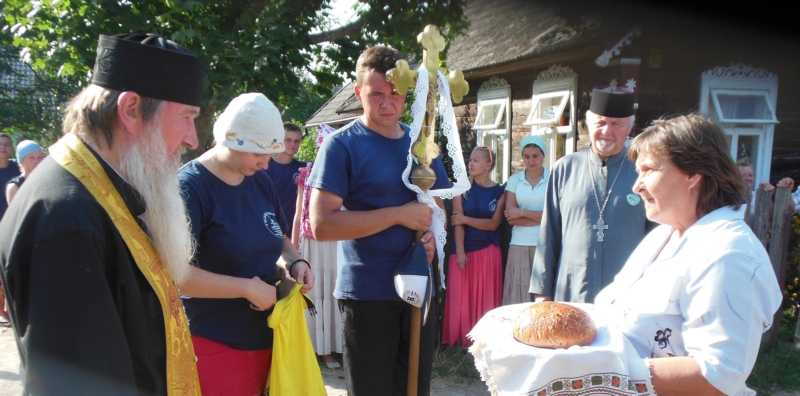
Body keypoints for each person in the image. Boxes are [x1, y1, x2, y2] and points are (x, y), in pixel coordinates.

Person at [0, 33, 211, 394]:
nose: (193, 139)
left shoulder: (102, 190)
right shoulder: (68, 219)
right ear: (130, 110)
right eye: (187, 117)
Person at [595, 113, 782, 395]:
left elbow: (717, 375)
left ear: (693, 173)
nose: (637, 185)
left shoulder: (729, 254)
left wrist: (591, 373)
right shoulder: (664, 235)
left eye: (648, 170)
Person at [308, 45, 450, 396]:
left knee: (413, 389)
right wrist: (398, 216)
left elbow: (441, 207)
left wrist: (432, 233)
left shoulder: (423, 145)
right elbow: (322, 225)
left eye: (396, 94)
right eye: (376, 95)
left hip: (419, 287)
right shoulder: (342, 146)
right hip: (368, 292)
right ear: (358, 93)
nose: (387, 104)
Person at [178, 92, 314, 394]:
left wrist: (295, 262)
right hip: (214, 340)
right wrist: (245, 287)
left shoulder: (259, 179)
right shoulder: (189, 188)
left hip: (266, 336)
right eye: (258, 154)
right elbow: (177, 276)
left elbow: (276, 236)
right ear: (231, 140)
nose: (266, 164)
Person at [530, 85, 653, 303]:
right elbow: (548, 234)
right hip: (572, 291)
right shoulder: (564, 168)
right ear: (588, 124)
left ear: (629, 128)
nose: (607, 131)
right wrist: (542, 292)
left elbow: (657, 236)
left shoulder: (643, 171)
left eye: (616, 124)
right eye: (601, 122)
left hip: (629, 296)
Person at [442, 146, 505, 348]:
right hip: (462, 251)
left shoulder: (500, 192)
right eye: (470, 160)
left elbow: (493, 224)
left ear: (488, 164)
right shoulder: (462, 189)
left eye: (476, 160)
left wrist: (465, 219)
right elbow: (456, 222)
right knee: (461, 299)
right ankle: (459, 343)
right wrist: (460, 252)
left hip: (488, 251)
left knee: (485, 300)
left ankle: (484, 343)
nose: (471, 164)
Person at [291, 124, 342, 369]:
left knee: (333, 294)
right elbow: (298, 213)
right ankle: (315, 348)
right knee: (314, 293)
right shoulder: (307, 174)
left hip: (336, 243)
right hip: (312, 243)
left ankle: (334, 346)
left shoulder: (344, 173)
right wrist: (293, 253)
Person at [502, 135, 549, 305]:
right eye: (527, 156)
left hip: (545, 244)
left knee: (543, 294)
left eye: (536, 155)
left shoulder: (553, 178)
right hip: (519, 244)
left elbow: (555, 216)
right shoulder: (515, 180)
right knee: (518, 295)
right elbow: (510, 217)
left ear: (543, 155)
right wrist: (542, 217)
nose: (531, 160)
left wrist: (521, 212)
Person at [266, 123, 305, 235]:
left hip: (294, 233)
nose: (292, 144)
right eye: (288, 140)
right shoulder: (264, 166)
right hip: (268, 231)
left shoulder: (303, 169)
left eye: (296, 141)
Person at [0, 133, 20, 219]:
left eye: (7, 144)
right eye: (0, 144)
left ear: (12, 149)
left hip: (12, 220)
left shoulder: (19, 168)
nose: (3, 147)